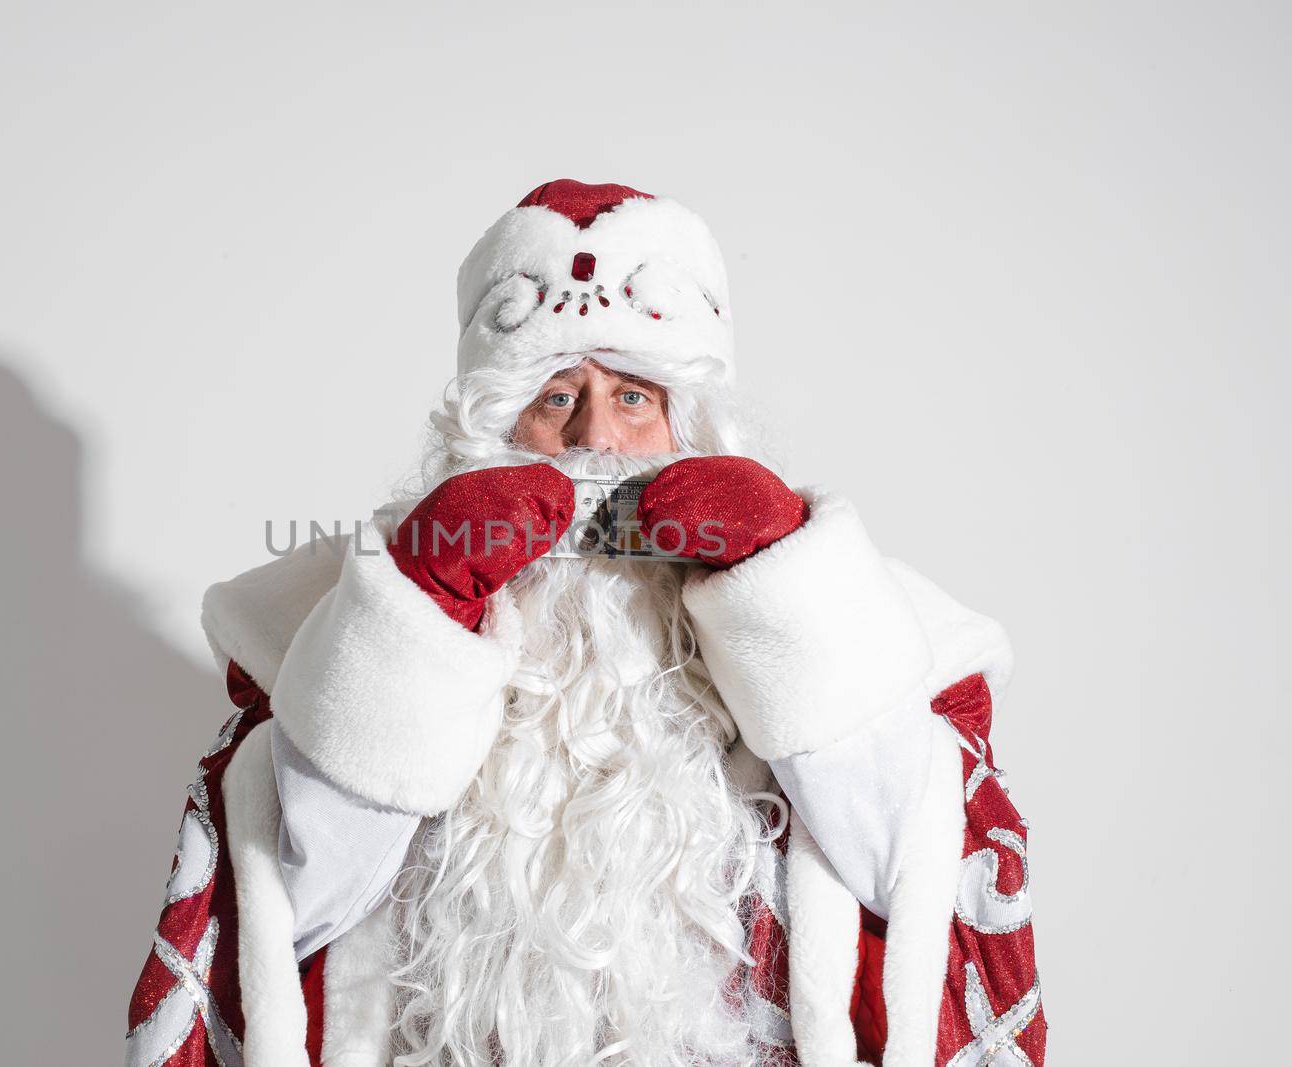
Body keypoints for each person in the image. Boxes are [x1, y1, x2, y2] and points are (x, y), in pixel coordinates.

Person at [124, 180, 1045, 1066]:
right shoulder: (324, 625)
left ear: (696, 425)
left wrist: (782, 587)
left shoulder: (875, 625)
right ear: (489, 434)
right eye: (556, 398)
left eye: (635, 398)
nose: (596, 440)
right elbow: (289, 910)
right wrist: (420, 610)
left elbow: (913, 877)